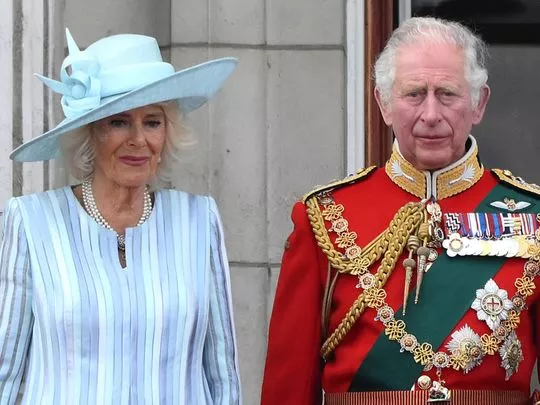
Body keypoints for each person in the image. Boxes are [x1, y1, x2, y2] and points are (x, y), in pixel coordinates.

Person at [262, 16, 540, 405]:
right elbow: (288, 386)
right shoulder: (325, 216)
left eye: (447, 94)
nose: (430, 114)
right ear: (383, 103)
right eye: (414, 94)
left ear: (479, 104)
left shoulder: (532, 215)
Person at [0, 29, 241, 405]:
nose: (138, 139)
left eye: (152, 121)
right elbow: (5, 371)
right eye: (118, 121)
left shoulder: (198, 221)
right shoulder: (32, 222)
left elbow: (223, 377)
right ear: (90, 132)